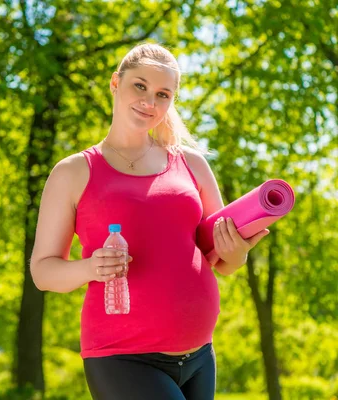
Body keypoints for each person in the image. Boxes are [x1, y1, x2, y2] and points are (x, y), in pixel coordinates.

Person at [29, 43, 270, 400]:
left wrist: (238, 252)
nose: (150, 102)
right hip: (123, 356)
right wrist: (92, 267)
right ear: (115, 83)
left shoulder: (192, 164)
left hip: (200, 354)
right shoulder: (74, 171)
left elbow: (224, 262)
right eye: (140, 86)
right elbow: (43, 271)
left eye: (163, 94)